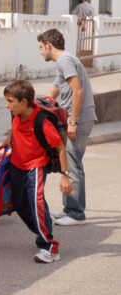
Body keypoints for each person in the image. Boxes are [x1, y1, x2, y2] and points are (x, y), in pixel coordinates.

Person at [3, 80, 72, 264]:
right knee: (18, 203)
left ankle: (50, 246)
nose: (6, 105)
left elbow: (61, 149)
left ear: (24, 102)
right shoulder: (16, 113)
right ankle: (43, 227)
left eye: (10, 101)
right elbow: (14, 127)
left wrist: (65, 176)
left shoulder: (42, 122)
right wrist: (8, 137)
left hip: (35, 166)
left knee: (37, 203)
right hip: (17, 165)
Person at [37, 28, 97, 226]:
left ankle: (76, 214)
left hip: (79, 119)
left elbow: (77, 91)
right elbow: (54, 91)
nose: (40, 51)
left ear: (49, 45)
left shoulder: (65, 60)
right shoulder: (63, 62)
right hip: (78, 118)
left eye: (40, 47)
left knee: (73, 165)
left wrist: (73, 121)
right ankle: (69, 209)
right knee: (70, 164)